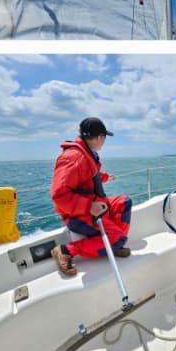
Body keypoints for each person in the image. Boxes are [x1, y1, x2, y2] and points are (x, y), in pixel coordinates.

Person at [49, 117, 132, 277]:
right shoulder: (74, 158)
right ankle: (66, 250)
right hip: (78, 214)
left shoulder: (85, 153)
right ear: (100, 137)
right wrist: (89, 207)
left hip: (94, 205)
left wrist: (106, 177)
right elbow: (59, 195)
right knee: (119, 238)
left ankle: (112, 246)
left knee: (124, 202)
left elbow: (89, 176)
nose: (104, 142)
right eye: (104, 138)